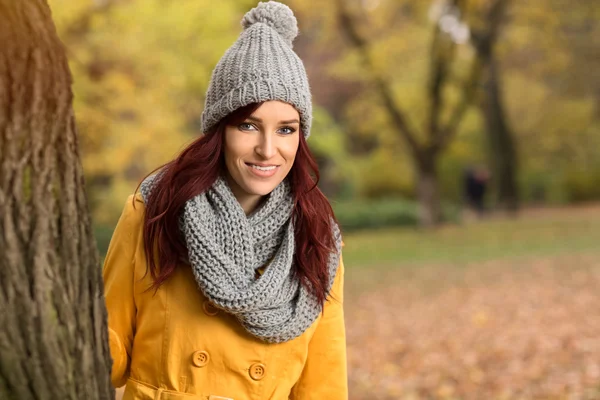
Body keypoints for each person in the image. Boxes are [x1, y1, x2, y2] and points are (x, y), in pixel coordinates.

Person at [102, 2, 347, 399]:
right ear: (220, 129)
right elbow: (104, 351)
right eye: (248, 125)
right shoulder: (155, 210)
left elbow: (324, 386)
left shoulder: (317, 236)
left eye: (286, 129)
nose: (268, 150)